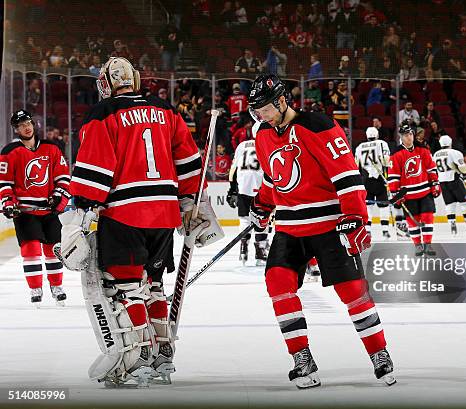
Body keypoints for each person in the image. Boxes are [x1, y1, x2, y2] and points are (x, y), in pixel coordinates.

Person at [61, 57, 223, 387]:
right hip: (163, 213)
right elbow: (190, 163)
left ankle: (141, 355)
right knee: (155, 285)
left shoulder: (103, 114)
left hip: (124, 212)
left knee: (126, 289)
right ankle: (164, 350)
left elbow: (95, 170)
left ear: (107, 83)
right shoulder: (166, 109)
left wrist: (82, 210)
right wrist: (189, 201)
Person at [246, 74, 395, 388]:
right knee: (277, 282)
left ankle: (379, 352)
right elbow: (274, 180)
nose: (261, 115)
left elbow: (347, 174)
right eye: (257, 110)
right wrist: (262, 205)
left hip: (329, 223)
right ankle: (302, 356)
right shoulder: (261, 134)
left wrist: (356, 216)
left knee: (352, 290)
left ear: (282, 100)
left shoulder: (317, 126)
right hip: (289, 226)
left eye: (264, 109)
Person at [0, 110, 70, 306]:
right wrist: (8, 202)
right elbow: (4, 183)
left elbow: (63, 178)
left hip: (48, 211)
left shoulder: (51, 148)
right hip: (25, 212)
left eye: (28, 122)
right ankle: (35, 289)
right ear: (16, 129)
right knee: (31, 250)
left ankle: (56, 286)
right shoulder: (9, 152)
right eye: (21, 125)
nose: (26, 127)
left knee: (53, 249)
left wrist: (58, 198)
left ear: (33, 124)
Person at [388, 120, 440, 256]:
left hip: (425, 190)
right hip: (408, 193)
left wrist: (435, 183)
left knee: (428, 216)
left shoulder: (423, 149)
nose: (408, 137)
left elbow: (431, 167)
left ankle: (428, 244)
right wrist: (395, 194)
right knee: (413, 220)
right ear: (401, 137)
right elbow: (393, 176)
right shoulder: (395, 154)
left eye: (410, 134)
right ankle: (417, 245)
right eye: (405, 135)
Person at [226, 126, 268, 265]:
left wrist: (232, 190)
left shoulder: (242, 145)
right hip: (260, 186)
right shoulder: (266, 143)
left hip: (243, 186)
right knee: (263, 218)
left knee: (244, 218)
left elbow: (233, 169)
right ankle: (260, 251)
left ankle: (243, 248)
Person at [432, 135, 466, 235]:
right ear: (450, 143)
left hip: (442, 182)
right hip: (454, 179)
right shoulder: (455, 152)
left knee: (449, 205)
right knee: (464, 202)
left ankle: (452, 226)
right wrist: (463, 168)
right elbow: (463, 169)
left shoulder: (435, 155)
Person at [354, 127, 391, 239]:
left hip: (366, 180)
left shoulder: (359, 147)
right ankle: (385, 231)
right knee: (383, 205)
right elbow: (386, 161)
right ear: (377, 134)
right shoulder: (382, 143)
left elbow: (356, 165)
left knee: (368, 206)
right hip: (380, 179)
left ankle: (368, 231)